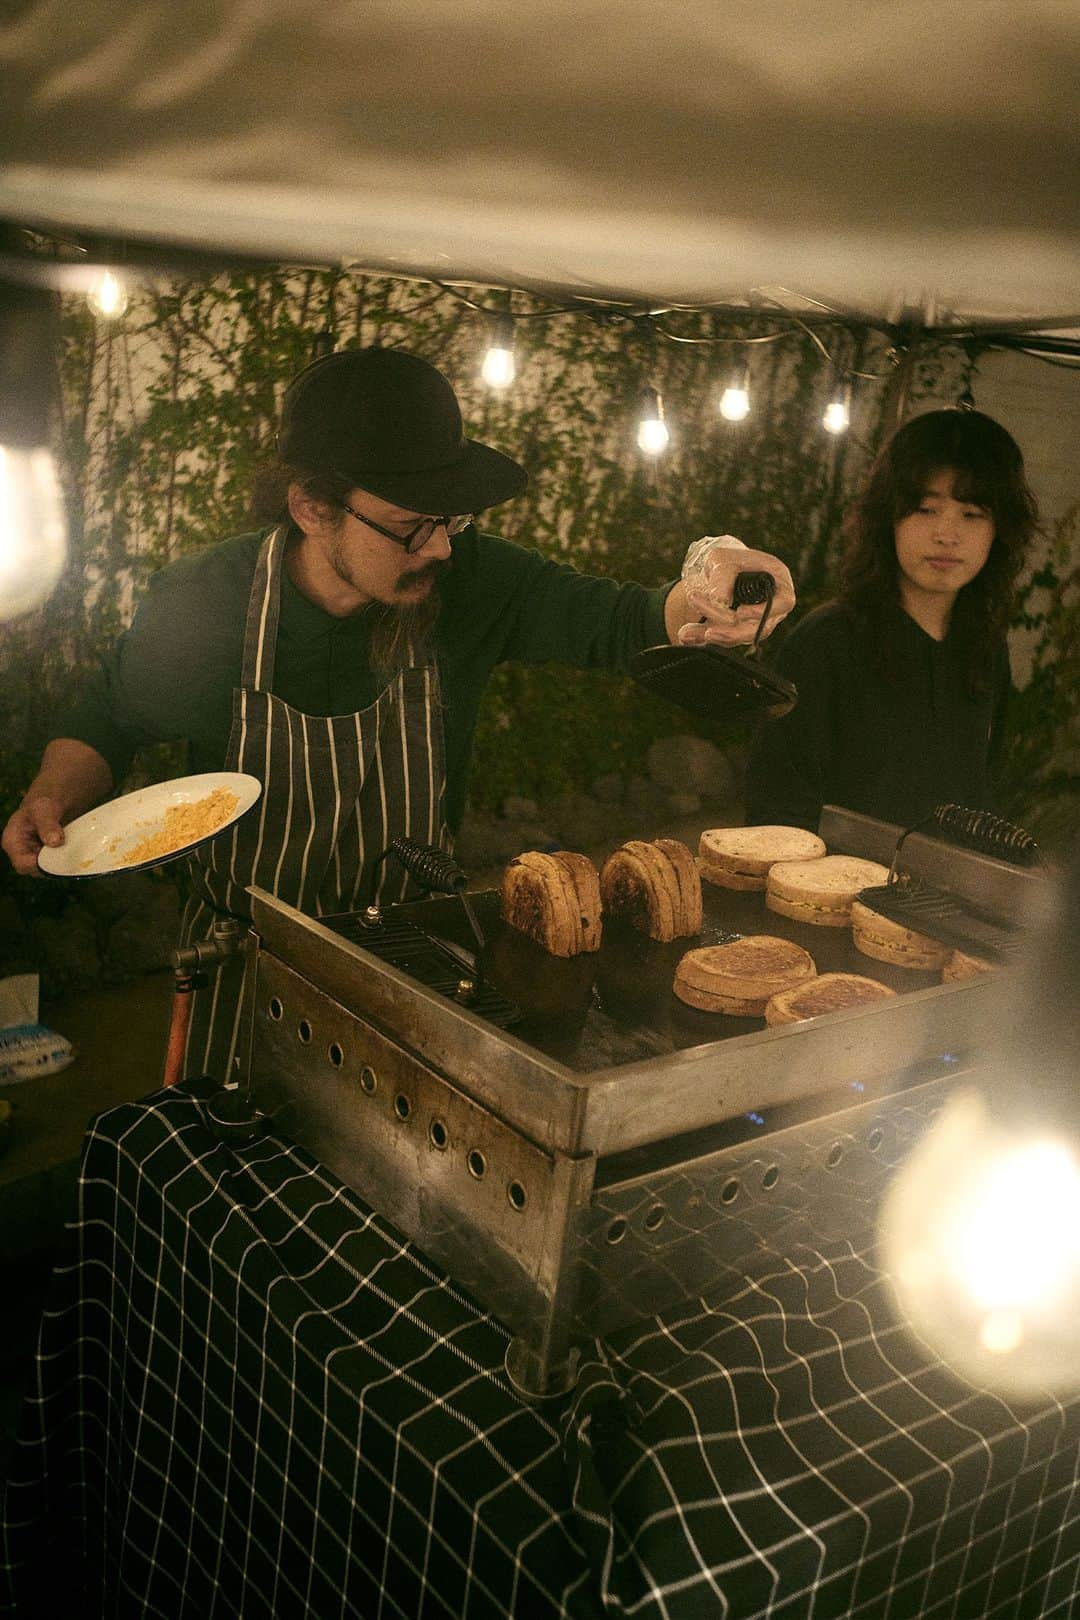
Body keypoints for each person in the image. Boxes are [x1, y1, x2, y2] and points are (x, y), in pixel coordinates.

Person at [3, 346, 795, 1079]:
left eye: (451, 518)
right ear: (313, 508)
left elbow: (622, 618)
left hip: (416, 964)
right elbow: (110, 715)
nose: (443, 548)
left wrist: (707, 584)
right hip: (243, 969)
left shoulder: (470, 582)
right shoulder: (206, 602)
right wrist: (55, 796)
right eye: (416, 523)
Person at [746, 407, 1038, 833]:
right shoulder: (826, 641)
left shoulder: (986, 647)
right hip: (828, 890)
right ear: (889, 518)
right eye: (925, 509)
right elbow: (775, 806)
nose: (947, 534)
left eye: (972, 514)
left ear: (1000, 531)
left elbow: (979, 792)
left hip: (942, 896)